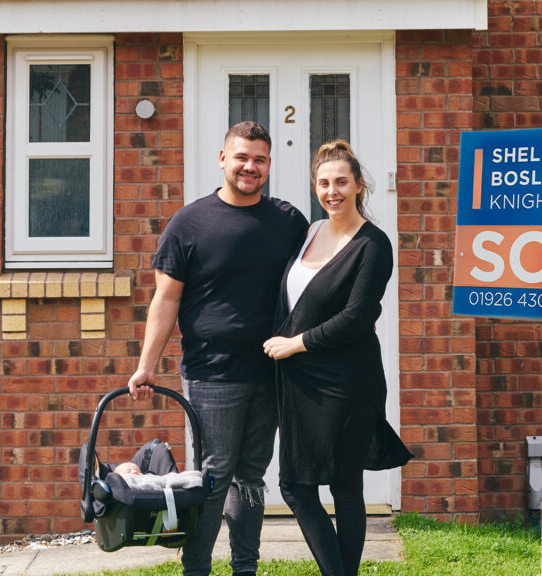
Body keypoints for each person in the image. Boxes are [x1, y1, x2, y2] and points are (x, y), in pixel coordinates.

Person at [127, 121, 309, 576]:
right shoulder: (189, 223)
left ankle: (245, 568)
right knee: (213, 475)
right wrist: (146, 365)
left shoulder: (288, 222)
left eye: (259, 159)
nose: (250, 167)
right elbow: (165, 299)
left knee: (251, 477)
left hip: (271, 369)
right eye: (242, 157)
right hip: (212, 372)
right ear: (223, 158)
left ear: (269, 165)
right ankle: (197, 569)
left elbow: (313, 284)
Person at [262, 141, 413, 576]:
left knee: (344, 487)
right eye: (324, 183)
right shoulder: (311, 231)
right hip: (300, 381)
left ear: (359, 185)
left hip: (347, 381)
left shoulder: (373, 244)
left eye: (342, 182)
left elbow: (357, 317)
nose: (333, 191)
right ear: (315, 186)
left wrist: (295, 343)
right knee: (297, 486)